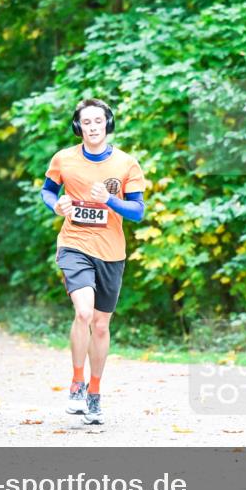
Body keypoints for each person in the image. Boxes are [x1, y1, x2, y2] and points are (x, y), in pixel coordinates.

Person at [41, 98, 147, 425]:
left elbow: (138, 212)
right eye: (86, 122)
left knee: (101, 325)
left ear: (107, 123)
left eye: (98, 121)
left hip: (111, 252)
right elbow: (48, 191)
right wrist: (56, 205)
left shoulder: (127, 164)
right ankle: (77, 383)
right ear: (78, 126)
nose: (92, 127)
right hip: (74, 244)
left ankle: (95, 394)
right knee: (84, 313)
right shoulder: (64, 159)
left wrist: (110, 200)